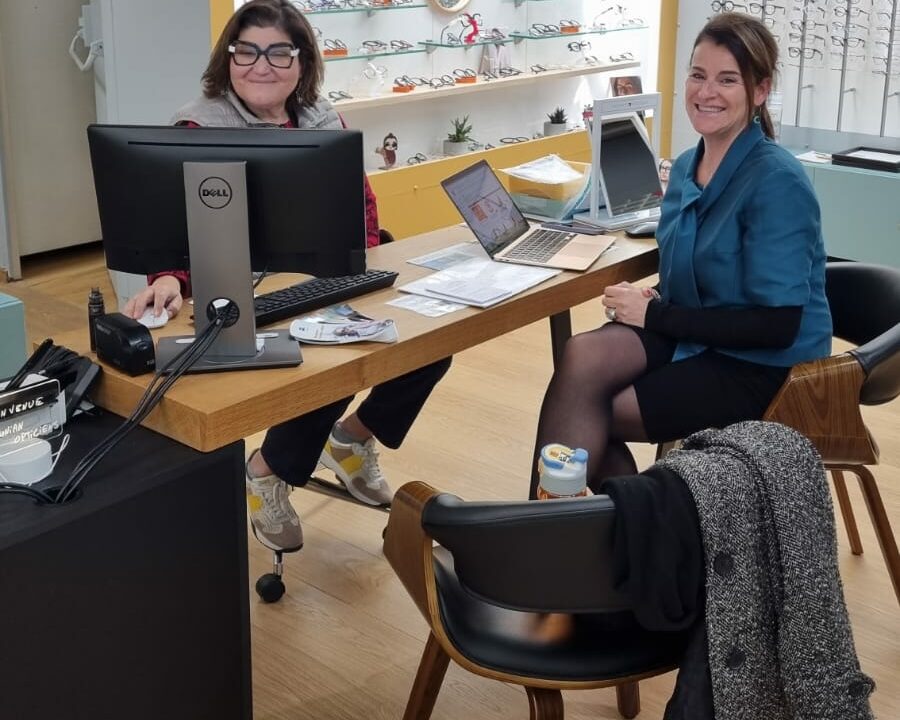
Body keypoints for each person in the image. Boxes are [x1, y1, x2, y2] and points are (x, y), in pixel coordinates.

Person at [122, 0, 451, 552]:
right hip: (236, 288)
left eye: (279, 51)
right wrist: (170, 277)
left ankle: (351, 440)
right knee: (319, 361)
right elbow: (173, 223)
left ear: (302, 62)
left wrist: (366, 265)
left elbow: (359, 205)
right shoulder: (199, 124)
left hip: (322, 272)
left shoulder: (322, 116)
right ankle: (266, 470)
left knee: (429, 339)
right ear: (229, 57)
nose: (262, 64)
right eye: (246, 50)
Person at [529, 12, 832, 499]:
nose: (706, 92)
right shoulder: (689, 165)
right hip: (700, 335)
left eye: (727, 79)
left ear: (759, 91)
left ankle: (569, 539)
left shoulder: (777, 181)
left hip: (765, 366)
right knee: (582, 357)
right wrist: (655, 299)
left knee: (591, 411)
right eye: (697, 75)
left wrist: (656, 314)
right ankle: (597, 537)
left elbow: (777, 326)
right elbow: (693, 274)